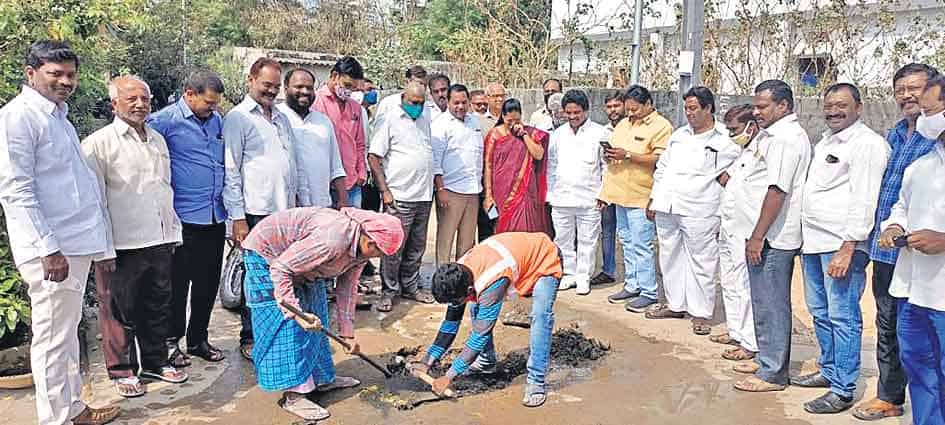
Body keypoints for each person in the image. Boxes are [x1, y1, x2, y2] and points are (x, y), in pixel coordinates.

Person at [0, 40, 121, 425]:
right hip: (52, 250)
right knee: (52, 340)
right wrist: (48, 249)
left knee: (67, 336)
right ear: (30, 72)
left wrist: (101, 245)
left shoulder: (58, 117)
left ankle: (74, 409)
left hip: (75, 245)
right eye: (56, 74)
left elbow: (73, 186)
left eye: (70, 74)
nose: (65, 81)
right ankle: (55, 419)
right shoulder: (18, 118)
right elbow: (16, 190)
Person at [241, 207, 404, 421]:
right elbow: (281, 269)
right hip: (268, 255)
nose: (378, 257)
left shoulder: (361, 250)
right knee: (291, 327)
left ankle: (321, 378)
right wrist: (297, 313)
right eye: (380, 253)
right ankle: (294, 395)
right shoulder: (333, 239)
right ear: (370, 243)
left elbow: (347, 288)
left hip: (301, 262)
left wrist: (347, 335)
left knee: (318, 315)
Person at [83, 75, 190, 397]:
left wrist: (173, 232)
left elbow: (163, 188)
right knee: (118, 311)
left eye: (145, 98)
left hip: (158, 240)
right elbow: (94, 201)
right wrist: (102, 249)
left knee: (158, 305)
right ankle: (122, 370)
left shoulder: (156, 139)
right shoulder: (98, 144)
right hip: (120, 245)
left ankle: (156, 362)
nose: (140, 104)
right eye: (132, 98)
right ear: (114, 103)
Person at [853, 63, 941, 422]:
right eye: (901, 90)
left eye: (929, 103)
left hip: (938, 280)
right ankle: (899, 402)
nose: (911, 99)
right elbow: (900, 203)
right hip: (902, 267)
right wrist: (892, 226)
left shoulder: (927, 145)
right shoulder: (911, 151)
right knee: (907, 347)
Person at [794, 83, 889, 413]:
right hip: (814, 242)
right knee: (820, 312)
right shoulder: (826, 140)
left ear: (859, 107)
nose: (833, 111)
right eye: (829, 105)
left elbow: (865, 199)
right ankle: (829, 369)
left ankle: (843, 388)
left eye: (842, 105)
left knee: (842, 315)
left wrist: (849, 247)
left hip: (841, 244)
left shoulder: (867, 145)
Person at [412, 232, 563, 408]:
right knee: (476, 306)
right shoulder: (458, 273)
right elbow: (450, 323)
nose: (454, 305)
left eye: (455, 301)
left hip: (544, 257)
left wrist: (449, 376)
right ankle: (486, 362)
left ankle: (536, 381)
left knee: (540, 317)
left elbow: (480, 335)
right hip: (516, 254)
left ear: (468, 289)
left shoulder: (492, 282)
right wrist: (427, 362)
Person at [223, 57, 306, 360]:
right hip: (256, 211)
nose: (271, 91)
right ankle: (250, 336)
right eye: (265, 85)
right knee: (255, 278)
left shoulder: (282, 117)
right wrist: (238, 218)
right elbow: (231, 170)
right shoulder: (238, 118)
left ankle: (275, 332)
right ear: (251, 80)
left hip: (285, 212)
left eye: (275, 86)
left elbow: (291, 165)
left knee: (282, 275)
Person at [733, 80, 811, 393]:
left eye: (763, 106)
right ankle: (768, 358)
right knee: (763, 300)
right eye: (756, 105)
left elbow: (777, 190)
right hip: (764, 233)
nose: (756, 111)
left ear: (784, 106)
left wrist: (757, 236)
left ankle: (773, 373)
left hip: (773, 237)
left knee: (772, 303)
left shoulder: (786, 139)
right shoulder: (772, 135)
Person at [877, 74, 945, 425]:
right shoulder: (922, 165)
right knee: (921, 370)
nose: (924, 117)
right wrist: (893, 226)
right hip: (913, 291)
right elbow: (901, 206)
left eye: (931, 110)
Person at [645, 86, 740, 335]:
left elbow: (741, 166)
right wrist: (654, 198)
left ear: (708, 108)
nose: (689, 113)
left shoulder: (725, 139)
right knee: (669, 255)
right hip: (668, 204)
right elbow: (663, 168)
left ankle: (701, 312)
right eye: (686, 108)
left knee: (702, 260)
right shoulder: (679, 136)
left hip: (701, 207)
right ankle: (676, 304)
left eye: (694, 108)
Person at [149, 70, 228, 367]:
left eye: (216, 103)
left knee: (208, 285)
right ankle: (172, 343)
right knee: (178, 286)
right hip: (183, 220)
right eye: (208, 102)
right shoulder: (164, 122)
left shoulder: (217, 121)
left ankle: (198, 340)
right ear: (189, 94)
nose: (213, 108)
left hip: (214, 216)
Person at [601, 85, 672, 313]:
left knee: (642, 245)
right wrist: (611, 154)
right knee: (627, 243)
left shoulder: (661, 127)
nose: (631, 114)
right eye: (628, 109)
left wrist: (629, 155)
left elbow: (661, 159)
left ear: (648, 104)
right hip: (620, 193)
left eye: (635, 110)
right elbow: (617, 153)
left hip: (642, 194)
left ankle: (649, 292)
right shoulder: (623, 124)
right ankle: (632, 285)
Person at [368, 80, 436, 312]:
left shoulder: (425, 119)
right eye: (413, 102)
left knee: (417, 246)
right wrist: (385, 191)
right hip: (399, 196)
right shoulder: (389, 120)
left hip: (423, 195)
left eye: (421, 103)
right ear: (403, 99)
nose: (417, 107)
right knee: (394, 247)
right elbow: (374, 157)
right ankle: (389, 291)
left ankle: (410, 286)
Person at [547, 89, 608, 295]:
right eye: (569, 113)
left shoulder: (600, 133)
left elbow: (606, 167)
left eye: (577, 112)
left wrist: (603, 194)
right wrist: (551, 194)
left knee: (587, 240)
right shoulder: (557, 135)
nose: (573, 117)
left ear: (586, 110)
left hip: (589, 198)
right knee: (563, 239)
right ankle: (569, 274)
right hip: (561, 197)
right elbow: (551, 166)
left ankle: (583, 277)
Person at [714, 104, 761, 362]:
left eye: (734, 129)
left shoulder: (760, 152)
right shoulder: (743, 152)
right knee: (729, 281)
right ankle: (736, 331)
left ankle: (750, 343)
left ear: (750, 126)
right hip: (729, 226)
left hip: (747, 229)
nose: (731, 135)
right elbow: (725, 180)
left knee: (744, 287)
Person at [483, 98, 551, 235]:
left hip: (524, 190)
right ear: (503, 116)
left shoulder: (530, 133)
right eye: (509, 121)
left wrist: (524, 135)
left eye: (517, 120)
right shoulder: (495, 134)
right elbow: (488, 166)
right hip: (501, 191)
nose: (513, 124)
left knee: (525, 228)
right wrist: (488, 195)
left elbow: (538, 155)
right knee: (504, 230)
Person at [431, 84, 483, 265]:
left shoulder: (474, 122)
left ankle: (461, 282)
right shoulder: (440, 125)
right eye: (456, 103)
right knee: (445, 240)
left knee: (467, 243)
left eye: (463, 102)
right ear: (448, 102)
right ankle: (442, 280)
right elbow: (435, 161)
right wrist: (441, 189)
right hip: (451, 191)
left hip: (473, 190)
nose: (460, 107)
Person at [280, 68, 347, 209]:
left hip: (321, 205)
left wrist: (343, 200)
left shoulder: (323, 121)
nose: (305, 92)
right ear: (286, 88)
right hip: (287, 208)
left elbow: (336, 166)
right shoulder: (276, 118)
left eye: (309, 88)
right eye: (298, 87)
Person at [312, 56, 365, 209]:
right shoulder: (316, 102)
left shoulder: (355, 108)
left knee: (353, 229)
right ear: (335, 76)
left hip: (353, 183)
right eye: (347, 85)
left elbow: (360, 143)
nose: (349, 91)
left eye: (353, 88)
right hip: (325, 185)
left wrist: (361, 171)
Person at [591, 92, 626, 286]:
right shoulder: (602, 131)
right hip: (608, 186)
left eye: (616, 106)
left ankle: (635, 277)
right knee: (607, 229)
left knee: (630, 234)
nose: (613, 110)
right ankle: (608, 270)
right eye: (609, 107)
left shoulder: (631, 128)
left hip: (629, 187)